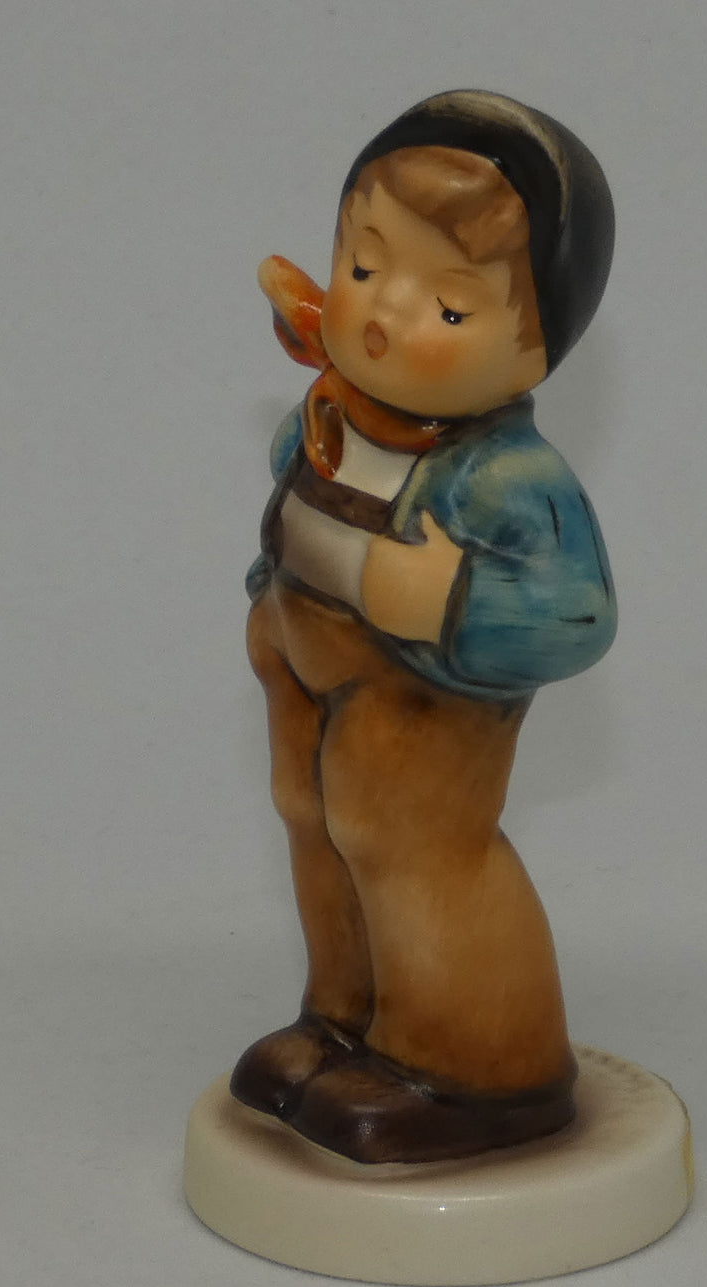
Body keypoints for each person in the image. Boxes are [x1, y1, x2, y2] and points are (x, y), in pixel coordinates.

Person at [230, 90, 616, 1163]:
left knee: (416, 855)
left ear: (536, 350)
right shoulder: (323, 419)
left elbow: (578, 615)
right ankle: (342, 1022)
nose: (383, 315)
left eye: (449, 310)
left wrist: (445, 598)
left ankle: (477, 1066)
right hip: (310, 670)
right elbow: (293, 511)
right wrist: (272, 602)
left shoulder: (506, 478)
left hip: (426, 702)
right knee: (318, 823)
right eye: (364, 266)